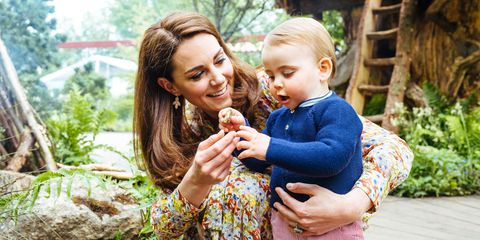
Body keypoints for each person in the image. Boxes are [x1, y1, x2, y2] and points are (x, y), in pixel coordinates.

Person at [133, 11, 413, 239]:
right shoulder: (180, 136)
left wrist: (352, 206)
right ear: (170, 86)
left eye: (220, 60)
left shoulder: (278, 90)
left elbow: (393, 148)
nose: (218, 78)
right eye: (197, 75)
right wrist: (196, 181)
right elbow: (161, 229)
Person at [218, 17, 364, 239]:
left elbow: (332, 157)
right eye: (271, 75)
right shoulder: (278, 118)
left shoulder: (337, 111)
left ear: (323, 69)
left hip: (331, 227)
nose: (276, 83)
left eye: (287, 73)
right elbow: (257, 160)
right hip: (285, 222)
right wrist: (240, 133)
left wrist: (269, 147)